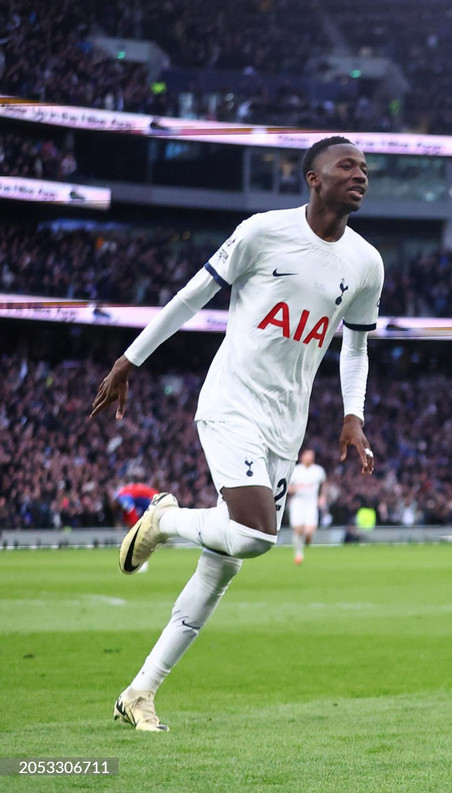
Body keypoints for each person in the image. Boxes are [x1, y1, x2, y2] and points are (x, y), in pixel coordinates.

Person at [89, 136, 384, 732]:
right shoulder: (262, 232)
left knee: (223, 563)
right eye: (346, 165)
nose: (360, 174)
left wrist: (353, 414)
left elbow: (355, 345)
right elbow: (191, 297)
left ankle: (140, 692)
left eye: (364, 167)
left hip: (286, 425)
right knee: (252, 536)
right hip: (231, 404)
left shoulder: (367, 263)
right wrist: (130, 359)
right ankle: (162, 519)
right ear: (313, 178)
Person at [287, 448, 327, 566]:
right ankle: (298, 554)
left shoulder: (318, 470)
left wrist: (322, 497)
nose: (309, 458)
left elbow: (324, 484)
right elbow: (287, 487)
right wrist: (293, 489)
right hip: (297, 503)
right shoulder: (295, 470)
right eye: (307, 455)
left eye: (311, 456)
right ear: (302, 457)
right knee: (298, 529)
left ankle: (308, 538)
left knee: (309, 530)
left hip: (311, 503)